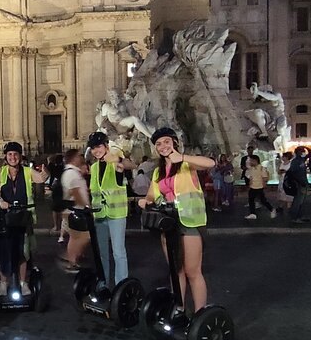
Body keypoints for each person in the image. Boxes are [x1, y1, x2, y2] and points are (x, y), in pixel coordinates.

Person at [138, 127, 215, 312]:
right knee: (176, 270)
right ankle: (178, 309)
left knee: (192, 271)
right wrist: (146, 201)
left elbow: (210, 163)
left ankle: (200, 314)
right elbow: (151, 194)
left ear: (174, 142)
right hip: (168, 224)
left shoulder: (187, 164)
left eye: (166, 141)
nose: (163, 146)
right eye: (158, 144)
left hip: (190, 223)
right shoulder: (158, 172)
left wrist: (183, 157)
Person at [0, 141, 49, 296]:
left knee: (23, 251)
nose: (13, 157)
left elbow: (41, 179)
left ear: (20, 156)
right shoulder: (0, 171)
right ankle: (4, 282)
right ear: (5, 157)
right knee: (5, 250)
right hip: (5, 217)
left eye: (15, 154)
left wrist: (45, 173)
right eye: (9, 154)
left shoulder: (27, 171)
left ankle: (23, 283)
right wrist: (0, 201)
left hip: (23, 217)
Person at [86, 132, 136, 287]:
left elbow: (131, 165)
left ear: (106, 146)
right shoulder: (93, 168)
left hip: (116, 215)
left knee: (118, 253)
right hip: (99, 215)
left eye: (99, 146)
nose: (96, 150)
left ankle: (121, 286)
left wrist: (119, 159)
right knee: (102, 254)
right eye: (93, 148)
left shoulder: (115, 163)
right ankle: (103, 284)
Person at [60, 148, 90, 272]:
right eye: (78, 156)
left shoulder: (72, 172)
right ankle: (70, 259)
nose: (80, 158)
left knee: (75, 237)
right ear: (73, 159)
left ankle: (72, 259)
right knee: (85, 237)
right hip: (77, 210)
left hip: (74, 209)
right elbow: (75, 191)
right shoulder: (71, 173)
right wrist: (85, 207)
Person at [244, 155, 276, 220]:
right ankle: (253, 214)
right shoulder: (251, 169)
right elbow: (250, 177)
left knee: (263, 200)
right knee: (251, 200)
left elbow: (265, 178)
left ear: (255, 161)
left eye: (251, 161)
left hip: (259, 187)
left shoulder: (262, 168)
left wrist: (264, 185)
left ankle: (272, 209)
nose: (250, 162)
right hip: (252, 187)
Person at [288, 146, 309, 223]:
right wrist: (300, 182)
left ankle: (299, 216)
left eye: (303, 151)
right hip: (298, 184)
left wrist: (305, 147)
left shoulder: (302, 160)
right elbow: (293, 173)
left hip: (303, 182)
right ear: (297, 152)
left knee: (301, 201)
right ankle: (295, 217)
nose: (303, 152)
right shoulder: (295, 161)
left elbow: (310, 154)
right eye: (301, 151)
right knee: (298, 201)